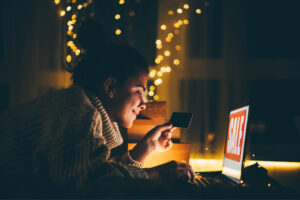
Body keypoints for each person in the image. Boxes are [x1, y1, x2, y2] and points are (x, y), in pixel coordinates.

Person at [0, 20, 195, 197]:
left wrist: (147, 147)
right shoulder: (78, 109)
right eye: (138, 91)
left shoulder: (80, 106)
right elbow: (93, 185)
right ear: (110, 87)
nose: (143, 103)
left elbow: (97, 172)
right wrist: (157, 174)